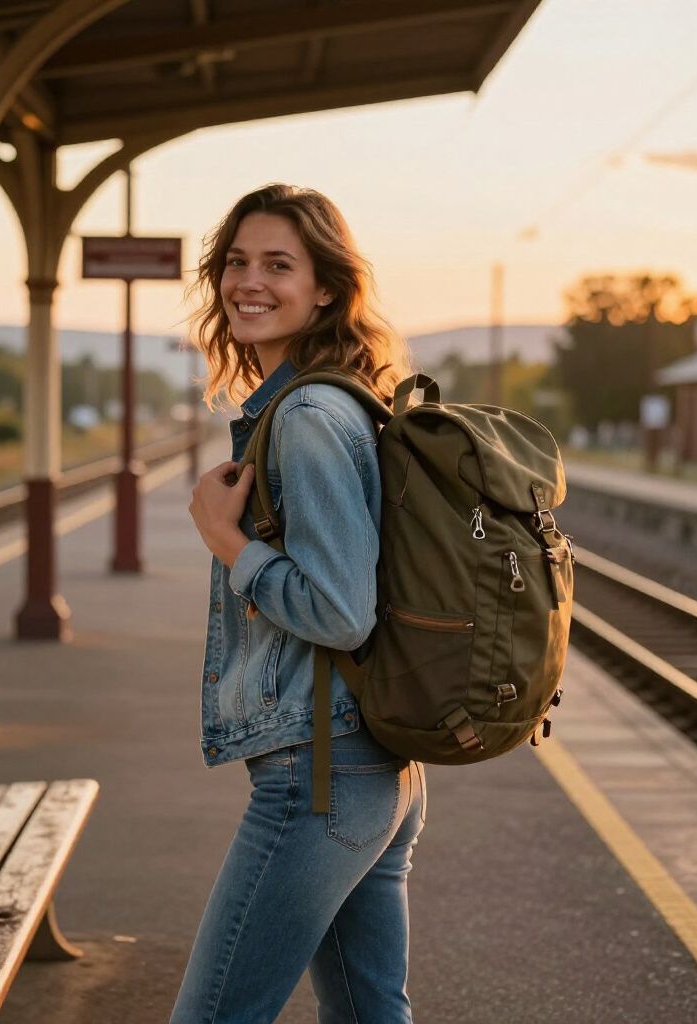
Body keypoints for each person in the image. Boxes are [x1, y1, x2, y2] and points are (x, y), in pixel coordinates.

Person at [175, 183, 426, 1024]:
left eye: (278, 264)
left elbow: (340, 612)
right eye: (237, 262)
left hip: (320, 775)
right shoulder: (332, 399)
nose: (250, 281)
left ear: (325, 288)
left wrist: (228, 541)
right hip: (369, 767)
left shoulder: (311, 415)